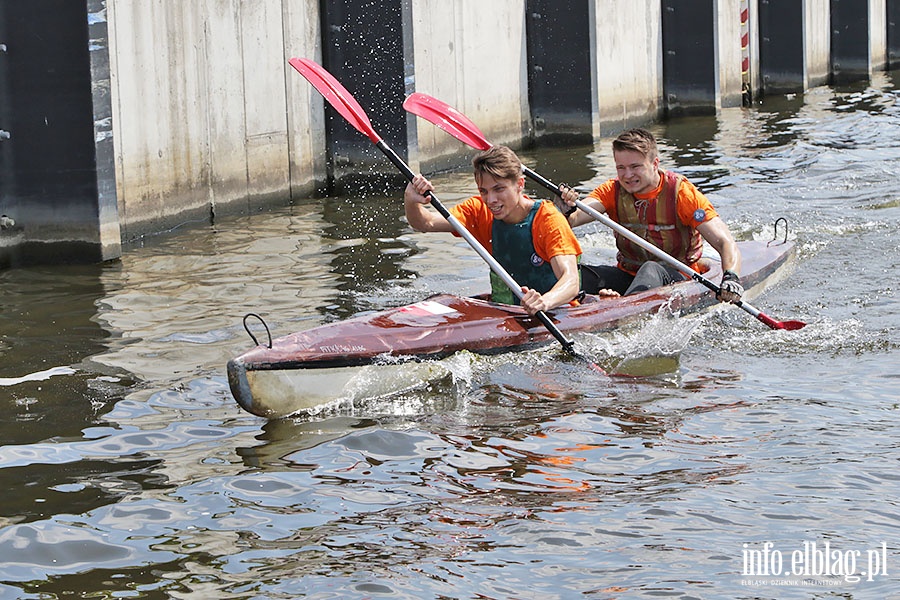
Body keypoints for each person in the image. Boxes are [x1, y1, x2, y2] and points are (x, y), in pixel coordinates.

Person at [555, 128, 744, 304]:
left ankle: (623, 312)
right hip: (629, 275)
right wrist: (565, 208)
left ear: (655, 164)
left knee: (650, 268)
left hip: (679, 278)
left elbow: (724, 242)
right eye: (621, 167)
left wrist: (731, 277)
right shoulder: (611, 190)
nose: (627, 175)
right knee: (571, 274)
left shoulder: (682, 193)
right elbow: (573, 219)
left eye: (635, 166)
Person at [404, 145, 582, 316]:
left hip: (556, 311)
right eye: (484, 191)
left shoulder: (548, 219)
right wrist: (411, 199)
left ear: (520, 184)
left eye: (499, 189)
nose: (491, 200)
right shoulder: (479, 210)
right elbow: (424, 223)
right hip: (506, 312)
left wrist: (544, 301)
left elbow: (571, 281)